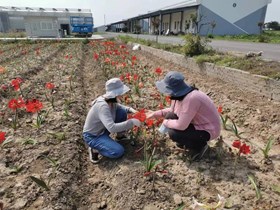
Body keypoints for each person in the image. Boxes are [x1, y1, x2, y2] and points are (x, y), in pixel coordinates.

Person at [147, 71, 221, 160]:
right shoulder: (179, 95)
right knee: (170, 116)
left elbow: (181, 126)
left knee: (174, 134)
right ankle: (188, 141)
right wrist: (154, 114)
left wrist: (165, 122)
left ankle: (200, 146)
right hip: (196, 124)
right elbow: (172, 111)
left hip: (208, 129)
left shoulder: (192, 99)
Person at [83, 78, 141, 163]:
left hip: (103, 129)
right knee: (118, 151)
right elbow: (112, 128)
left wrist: (132, 110)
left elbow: (121, 107)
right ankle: (95, 149)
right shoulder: (102, 106)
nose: (122, 95)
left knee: (122, 112)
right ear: (115, 94)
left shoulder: (110, 101)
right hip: (94, 136)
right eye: (120, 93)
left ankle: (120, 137)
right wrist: (132, 122)